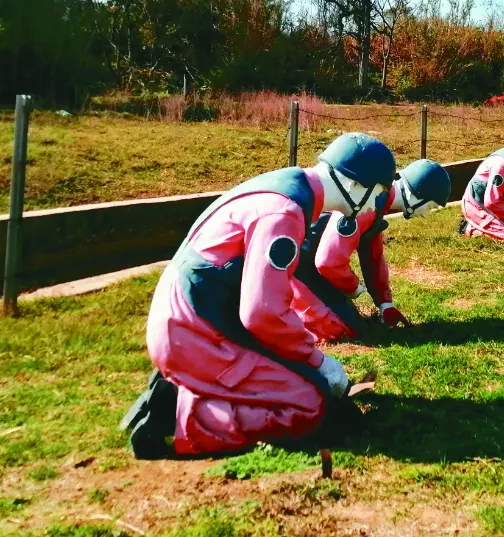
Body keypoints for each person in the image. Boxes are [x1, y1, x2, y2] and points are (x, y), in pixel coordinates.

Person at [120, 133, 396, 458]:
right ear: (355, 186)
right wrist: (317, 359)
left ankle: (186, 390)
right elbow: (262, 312)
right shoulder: (285, 213)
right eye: (378, 194)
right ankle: (180, 418)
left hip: (199, 317)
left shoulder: (290, 189)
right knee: (310, 406)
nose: (376, 205)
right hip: (194, 329)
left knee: (312, 386)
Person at [291, 159, 452, 339]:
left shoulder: (377, 201)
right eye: (429, 206)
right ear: (416, 195)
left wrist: (385, 303)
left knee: (352, 324)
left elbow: (373, 256)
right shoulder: (369, 204)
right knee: (337, 329)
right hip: (295, 264)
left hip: (305, 261)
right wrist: (354, 287)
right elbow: (328, 262)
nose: (425, 214)